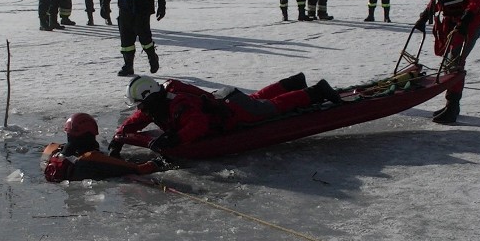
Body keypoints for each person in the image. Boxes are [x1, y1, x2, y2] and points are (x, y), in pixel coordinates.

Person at [109, 74, 342, 155]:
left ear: (149, 98)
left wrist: (176, 139)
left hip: (234, 111)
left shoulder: (176, 104)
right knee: (257, 101)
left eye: (140, 104)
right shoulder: (159, 102)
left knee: (271, 108)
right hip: (226, 99)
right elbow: (137, 121)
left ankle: (314, 91)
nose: (140, 109)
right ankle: (291, 82)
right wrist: (120, 135)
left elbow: (197, 125)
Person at [42, 112, 162, 182]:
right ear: (91, 134)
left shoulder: (51, 149)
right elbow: (139, 169)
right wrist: (143, 166)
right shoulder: (90, 157)